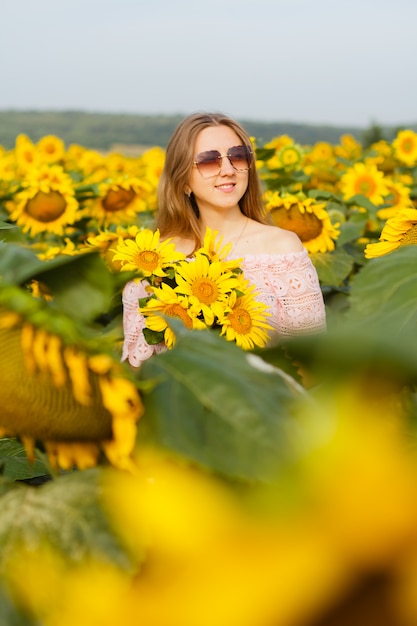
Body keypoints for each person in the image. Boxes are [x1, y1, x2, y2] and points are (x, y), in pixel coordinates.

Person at [122, 112, 326, 368]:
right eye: (209, 161)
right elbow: (140, 368)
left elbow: (313, 360)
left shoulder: (282, 248)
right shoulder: (154, 259)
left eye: (238, 156)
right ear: (183, 179)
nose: (228, 170)